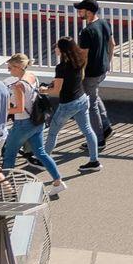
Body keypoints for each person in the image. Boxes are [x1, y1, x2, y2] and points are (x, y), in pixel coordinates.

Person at [0, 56, 63, 197]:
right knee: (41, 153)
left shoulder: (18, 86)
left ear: (18, 67)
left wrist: (2, 109)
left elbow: (19, 109)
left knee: (9, 155)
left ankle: (7, 190)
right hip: (36, 121)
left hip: (23, 124)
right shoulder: (32, 76)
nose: (8, 70)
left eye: (10, 67)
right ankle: (58, 181)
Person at [43, 38, 98, 172]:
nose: (55, 49)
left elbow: (56, 91)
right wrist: (55, 83)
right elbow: (73, 79)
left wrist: (44, 90)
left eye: (57, 47)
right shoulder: (79, 61)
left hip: (68, 104)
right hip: (82, 99)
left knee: (53, 132)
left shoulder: (61, 67)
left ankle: (43, 159)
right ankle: (94, 161)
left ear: (62, 50)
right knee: (88, 130)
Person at [73, 0, 114, 147]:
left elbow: (83, 56)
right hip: (102, 69)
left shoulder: (86, 31)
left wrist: (80, 74)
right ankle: (106, 127)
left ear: (89, 12)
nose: (79, 12)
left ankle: (98, 139)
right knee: (94, 97)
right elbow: (112, 44)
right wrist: (107, 62)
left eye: (81, 10)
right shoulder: (104, 23)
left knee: (90, 105)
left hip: (90, 73)